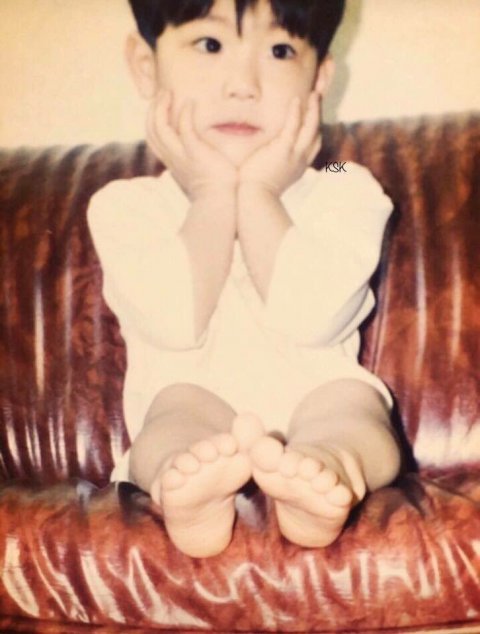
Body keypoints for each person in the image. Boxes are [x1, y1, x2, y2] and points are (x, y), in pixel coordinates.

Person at [87, 0, 402, 558]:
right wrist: (212, 190)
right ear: (146, 66)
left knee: (353, 405)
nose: (243, 85)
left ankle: (327, 471)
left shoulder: (343, 182)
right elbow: (176, 324)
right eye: (209, 45)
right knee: (172, 417)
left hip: (318, 393)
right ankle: (186, 493)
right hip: (191, 401)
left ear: (319, 79)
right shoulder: (126, 203)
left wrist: (259, 190)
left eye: (280, 50)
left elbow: (310, 318)